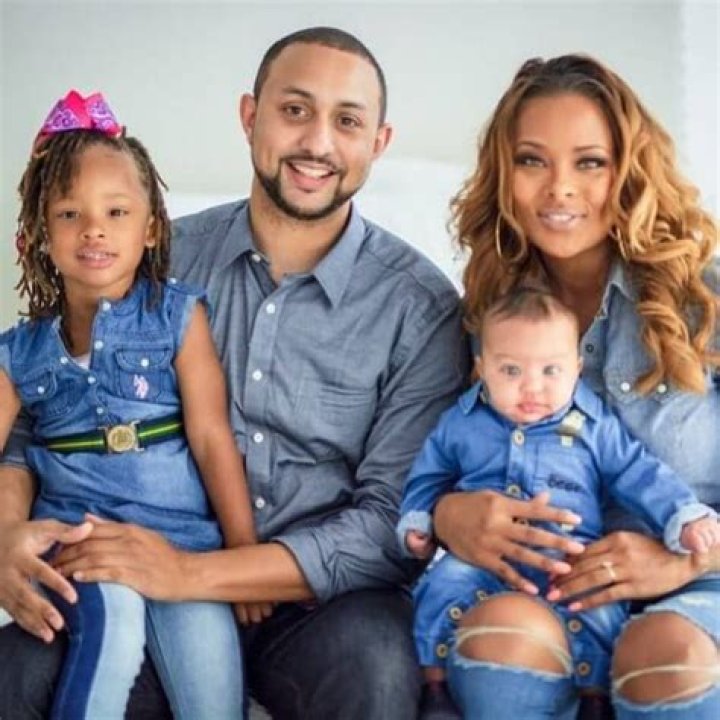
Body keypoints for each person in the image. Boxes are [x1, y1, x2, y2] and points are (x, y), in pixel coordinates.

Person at [0, 28, 469, 720]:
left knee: (377, 658)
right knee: (17, 668)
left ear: (379, 142)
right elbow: (47, 405)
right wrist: (7, 536)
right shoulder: (154, 257)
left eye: (347, 121)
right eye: (294, 110)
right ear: (250, 116)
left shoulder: (419, 308)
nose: (317, 142)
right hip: (137, 586)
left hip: (315, 608)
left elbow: (389, 527)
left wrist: (196, 572)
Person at [430, 55, 720, 719]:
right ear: (504, 175)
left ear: (629, 172)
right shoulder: (483, 317)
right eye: (533, 161)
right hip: (548, 589)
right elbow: (440, 463)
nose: (560, 188)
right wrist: (449, 516)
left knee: (663, 650)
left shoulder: (707, 298)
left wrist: (680, 563)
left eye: (590, 162)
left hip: (699, 588)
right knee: (502, 633)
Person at [0, 89, 263, 719]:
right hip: (79, 542)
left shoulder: (178, 317)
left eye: (116, 211)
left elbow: (210, 437)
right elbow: (9, 459)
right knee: (112, 624)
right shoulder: (18, 352)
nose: (94, 228)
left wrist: (242, 552)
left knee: (214, 694)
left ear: (150, 229)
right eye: (69, 214)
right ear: (38, 234)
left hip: (184, 547)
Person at [398, 286, 719, 714]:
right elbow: (429, 474)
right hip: (487, 562)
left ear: (576, 369)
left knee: (598, 611)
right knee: (441, 587)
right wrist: (427, 518)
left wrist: (685, 519)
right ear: (481, 369)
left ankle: (593, 697)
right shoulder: (461, 420)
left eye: (551, 371)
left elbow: (639, 473)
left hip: (576, 557)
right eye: (510, 370)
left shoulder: (591, 424)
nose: (532, 387)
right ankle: (434, 685)